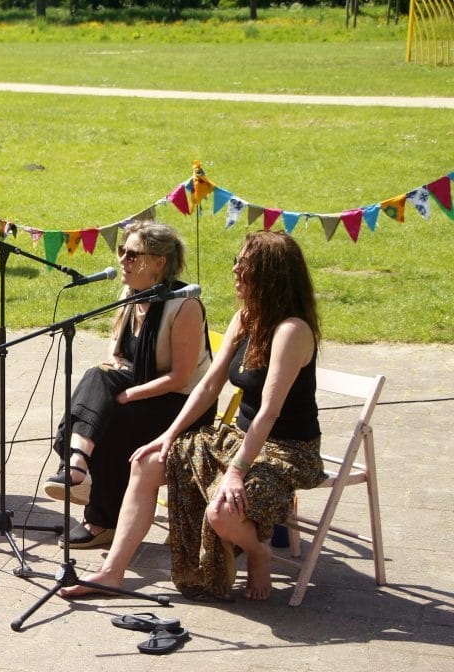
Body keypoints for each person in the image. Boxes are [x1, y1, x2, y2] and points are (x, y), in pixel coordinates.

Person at [59, 230, 325, 602]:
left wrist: (236, 471)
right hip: (241, 439)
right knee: (147, 461)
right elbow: (208, 386)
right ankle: (112, 573)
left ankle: (259, 551)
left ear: (268, 273)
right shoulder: (246, 317)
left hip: (286, 451)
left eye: (243, 264)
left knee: (223, 514)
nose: (234, 269)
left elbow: (268, 411)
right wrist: (168, 435)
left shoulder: (291, 331)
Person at [44, 221, 215, 549]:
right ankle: (82, 472)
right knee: (99, 382)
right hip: (143, 391)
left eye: (133, 254)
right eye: (121, 251)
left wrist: (126, 394)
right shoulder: (131, 295)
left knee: (112, 413)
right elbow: (115, 353)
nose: (122, 260)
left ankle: (94, 504)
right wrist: (115, 388)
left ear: (159, 263)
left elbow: (179, 377)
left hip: (182, 405)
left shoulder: (185, 305)